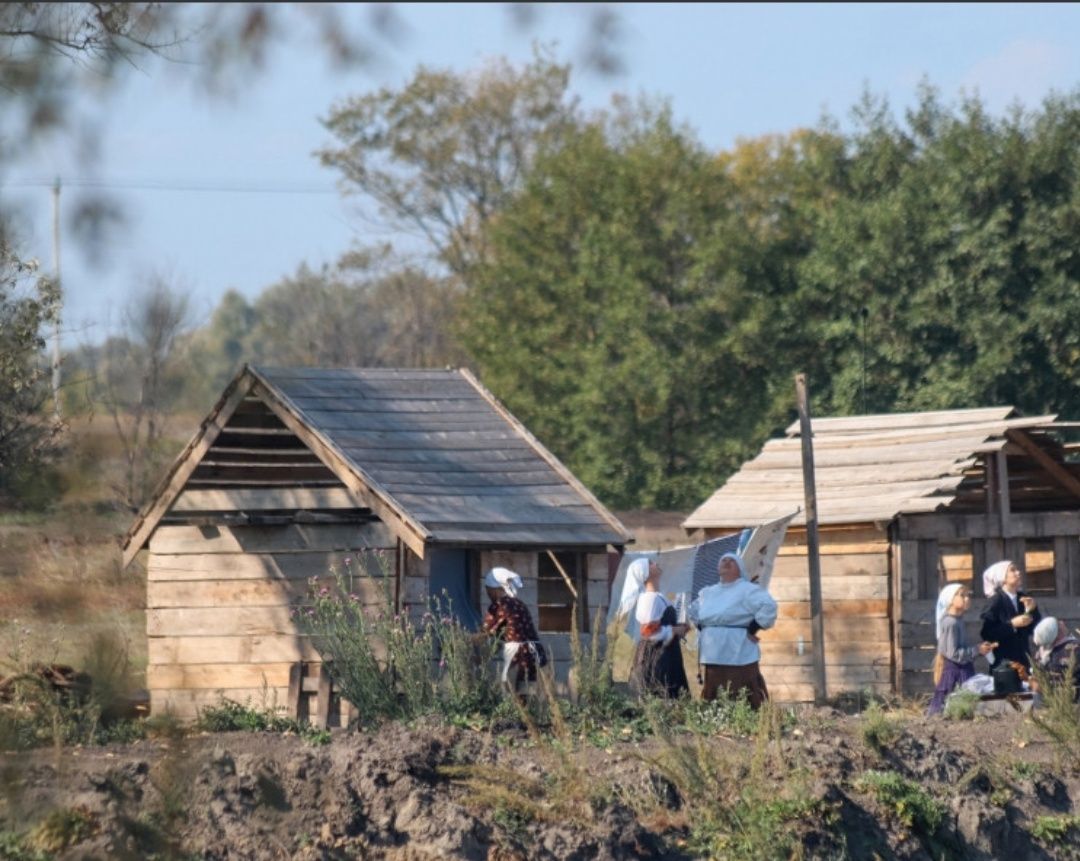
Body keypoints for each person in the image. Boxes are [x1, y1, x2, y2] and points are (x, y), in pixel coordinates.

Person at [689, 551, 777, 709]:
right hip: (713, 651)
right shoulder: (708, 592)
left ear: (740, 568)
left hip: (739, 647)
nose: (727, 562)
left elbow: (768, 606)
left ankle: (749, 721)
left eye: (732, 561)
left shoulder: (748, 590)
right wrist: (706, 630)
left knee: (742, 685)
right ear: (718, 568)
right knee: (715, 688)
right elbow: (694, 612)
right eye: (723, 560)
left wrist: (753, 627)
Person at [926, 583, 995, 715]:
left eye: (967, 595)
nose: (967, 598)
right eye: (962, 595)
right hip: (954, 673)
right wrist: (976, 650)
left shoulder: (958, 620)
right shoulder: (950, 623)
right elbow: (952, 653)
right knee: (949, 709)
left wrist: (978, 649)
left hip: (962, 669)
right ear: (950, 600)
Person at [626, 558, 690, 699]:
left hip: (666, 654)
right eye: (650, 563)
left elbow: (658, 625)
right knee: (662, 697)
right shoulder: (650, 599)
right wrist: (674, 630)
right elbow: (647, 632)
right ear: (645, 572)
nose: (655, 564)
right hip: (657, 658)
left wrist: (679, 628)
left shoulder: (657, 597)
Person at [482, 566, 547, 698]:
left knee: (511, 693)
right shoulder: (519, 604)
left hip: (517, 655)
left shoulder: (499, 605)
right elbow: (506, 631)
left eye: (488, 590)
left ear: (497, 589)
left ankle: (516, 717)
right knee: (527, 693)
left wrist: (462, 640)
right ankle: (528, 716)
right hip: (533, 654)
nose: (488, 593)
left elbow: (485, 633)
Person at [979, 560, 1041, 671]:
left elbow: (1035, 629)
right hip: (1004, 663)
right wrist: (1012, 624)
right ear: (1002, 577)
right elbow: (987, 633)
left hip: (1024, 660)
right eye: (1013, 570)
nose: (1018, 573)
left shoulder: (1023, 598)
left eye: (1017, 570)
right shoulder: (995, 601)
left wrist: (1032, 612)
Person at [1032, 616, 1080, 702]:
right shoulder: (1076, 648)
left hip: (1049, 704)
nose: (1062, 622)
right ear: (1057, 633)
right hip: (1074, 703)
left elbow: (1036, 684)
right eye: (1058, 622)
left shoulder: (1040, 654)